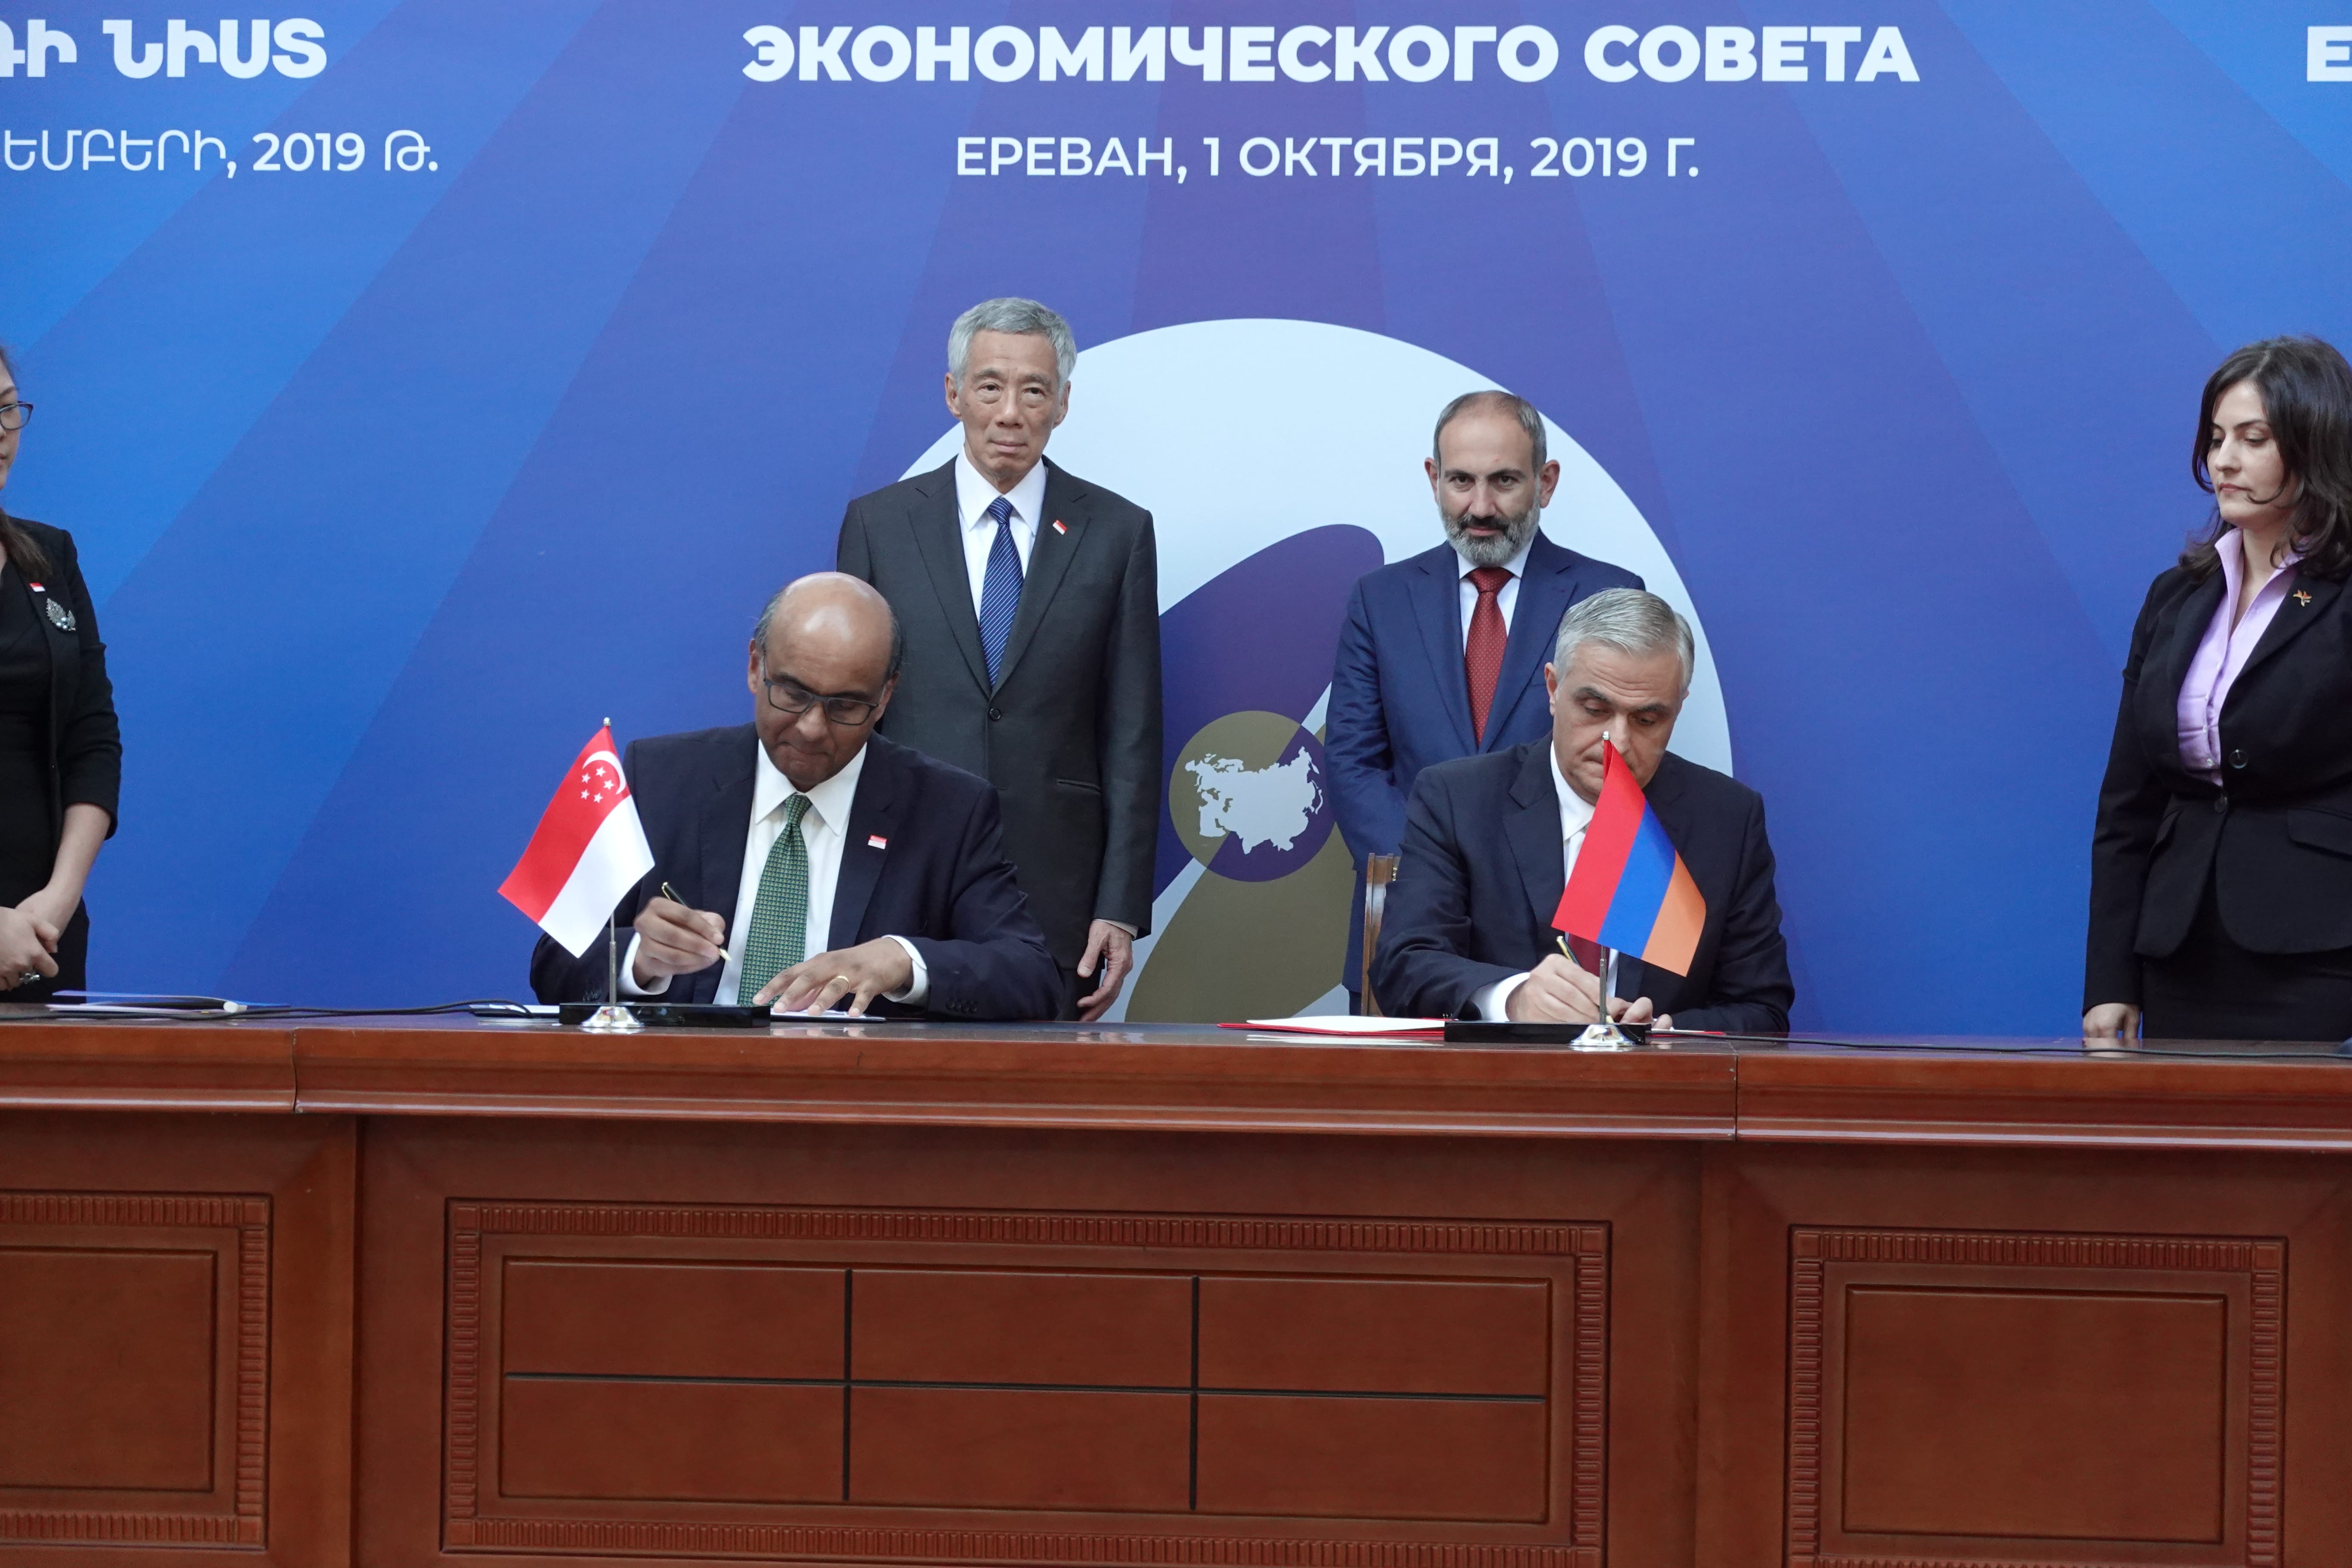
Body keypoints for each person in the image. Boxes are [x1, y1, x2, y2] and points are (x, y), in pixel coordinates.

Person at [529, 573, 1064, 1021]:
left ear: (886, 698)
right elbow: (554, 965)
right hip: (684, 1096)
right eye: (792, 693)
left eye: (846, 706)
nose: (811, 728)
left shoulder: (948, 809)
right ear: (756, 667)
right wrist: (641, 962)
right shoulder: (663, 778)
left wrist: (904, 960)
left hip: (852, 1109)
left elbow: (1031, 977)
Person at [837, 298, 1160, 1021]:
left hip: (1055, 898)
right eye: (989, 386)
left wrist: (1119, 906)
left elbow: (1132, 733)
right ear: (953, 394)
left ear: (1063, 403)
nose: (1010, 412)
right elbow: (848, 716)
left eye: (1034, 390)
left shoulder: (1118, 533)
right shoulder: (878, 525)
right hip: (899, 876)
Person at [1326, 390, 1642, 1008]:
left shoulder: (1609, 594)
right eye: (1461, 481)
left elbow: (1618, 765)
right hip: (1410, 936)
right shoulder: (1380, 600)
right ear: (1433, 478)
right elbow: (1352, 765)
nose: (1481, 507)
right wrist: (1434, 870)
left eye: (1504, 482)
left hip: (1559, 948)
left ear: (1545, 482)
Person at [2086, 336, 2352, 1043]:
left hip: (2320, 956)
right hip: (2180, 950)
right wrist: (2108, 979)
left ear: (2315, 444)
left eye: (2252, 438)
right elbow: (2127, 803)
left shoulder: (2339, 594)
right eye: (2214, 438)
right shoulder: (2177, 595)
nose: (2222, 460)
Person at [1371, 589, 1791, 1031]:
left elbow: (1762, 1010)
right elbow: (1404, 967)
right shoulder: (1458, 799)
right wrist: (1513, 998)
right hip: (1499, 1088)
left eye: (1647, 720)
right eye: (1595, 710)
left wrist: (1673, 1037)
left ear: (1678, 708)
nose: (1619, 742)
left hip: (1654, 1093)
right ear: (1554, 689)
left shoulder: (1726, 818)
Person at [0, 344, 120, 1001]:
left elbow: (92, 737)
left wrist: (57, 901)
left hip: (43, 939)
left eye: (7, 410)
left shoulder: (50, 552)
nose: (0, 433)